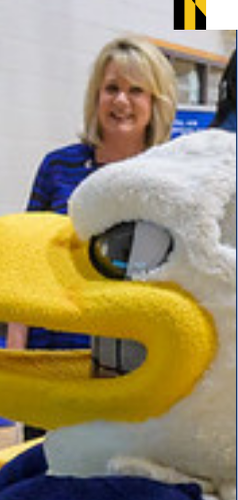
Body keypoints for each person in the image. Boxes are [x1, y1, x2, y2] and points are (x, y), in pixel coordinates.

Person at [14, 36, 177, 351]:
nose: (121, 101)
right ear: (97, 95)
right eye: (112, 88)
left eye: (136, 91)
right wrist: (15, 344)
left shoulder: (168, 175)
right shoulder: (58, 166)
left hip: (134, 351)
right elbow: (27, 259)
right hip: (52, 343)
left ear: (156, 101)